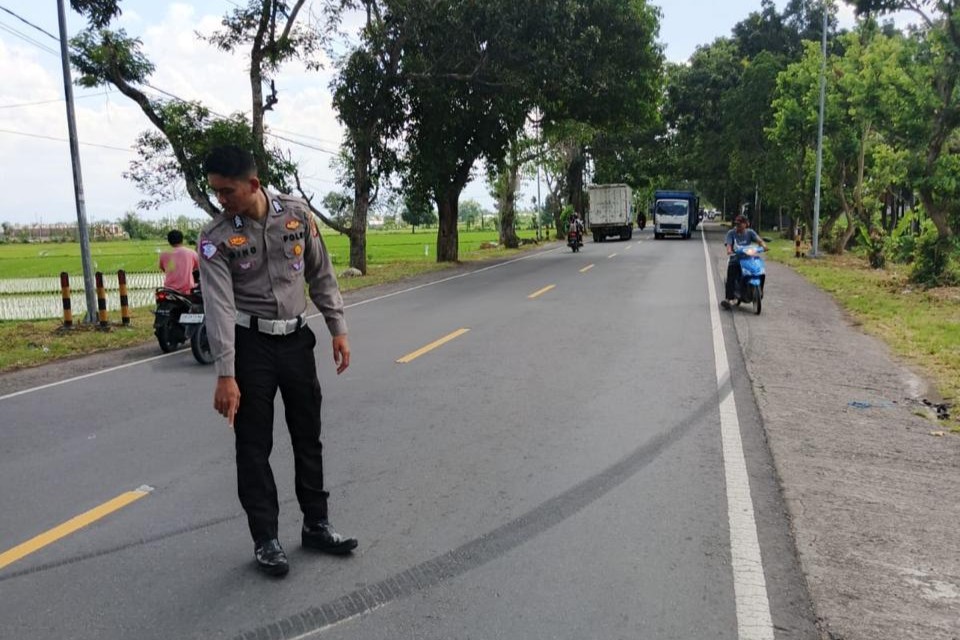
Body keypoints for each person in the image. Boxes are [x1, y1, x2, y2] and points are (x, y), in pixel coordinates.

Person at [198, 145, 357, 578]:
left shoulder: (297, 215)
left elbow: (320, 273)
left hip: (295, 341)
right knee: (254, 446)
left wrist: (336, 328)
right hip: (251, 348)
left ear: (253, 184)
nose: (221, 200)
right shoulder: (215, 238)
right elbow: (218, 308)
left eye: (227, 191)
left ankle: (317, 524)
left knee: (309, 435)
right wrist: (226, 375)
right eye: (215, 192)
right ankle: (265, 538)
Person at [721, 215, 767, 309]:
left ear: (746, 224)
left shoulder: (750, 232)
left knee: (759, 270)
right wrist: (729, 250)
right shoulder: (731, 233)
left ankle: (759, 290)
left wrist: (764, 246)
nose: (738, 226)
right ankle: (728, 298)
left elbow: (759, 241)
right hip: (736, 258)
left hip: (749, 258)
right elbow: (729, 244)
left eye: (740, 224)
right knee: (731, 275)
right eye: (737, 224)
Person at [158, 229, 199, 294]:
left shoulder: (163, 254)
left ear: (169, 241)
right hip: (187, 290)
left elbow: (163, 268)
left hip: (169, 290)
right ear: (182, 240)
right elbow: (198, 267)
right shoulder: (191, 253)